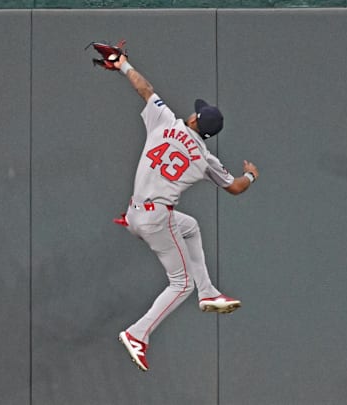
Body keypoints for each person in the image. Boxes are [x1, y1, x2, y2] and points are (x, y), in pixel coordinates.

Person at [112, 53, 259, 372]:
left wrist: (122, 64)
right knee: (180, 284)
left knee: (189, 226)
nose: (194, 112)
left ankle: (208, 293)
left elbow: (145, 88)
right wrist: (250, 176)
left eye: (197, 111)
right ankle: (138, 334)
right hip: (154, 219)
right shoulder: (205, 158)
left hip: (136, 212)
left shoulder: (167, 122)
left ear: (195, 120)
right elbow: (235, 187)